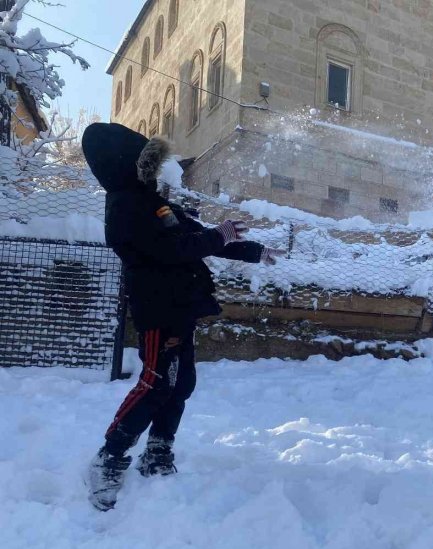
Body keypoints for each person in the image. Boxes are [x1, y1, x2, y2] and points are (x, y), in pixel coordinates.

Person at [81, 123, 284, 511]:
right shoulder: (124, 207)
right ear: (125, 165)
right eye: (146, 163)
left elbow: (198, 235)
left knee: (181, 382)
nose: (153, 170)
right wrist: (216, 237)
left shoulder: (151, 200)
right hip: (158, 310)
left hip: (181, 305)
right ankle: (108, 458)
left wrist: (254, 251)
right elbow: (175, 249)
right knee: (157, 382)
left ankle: (158, 450)